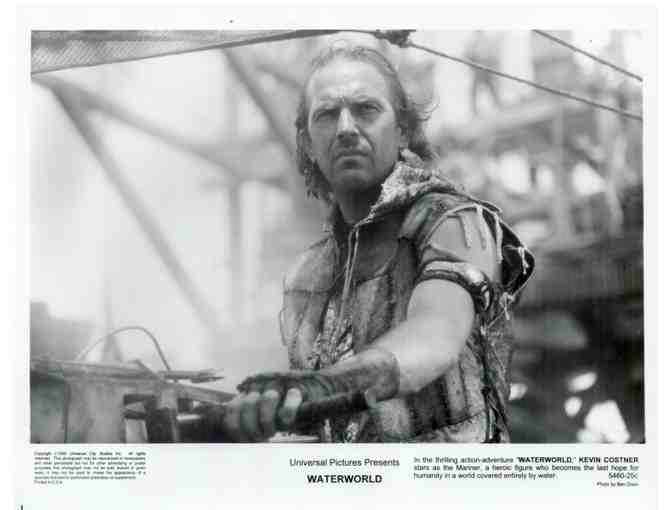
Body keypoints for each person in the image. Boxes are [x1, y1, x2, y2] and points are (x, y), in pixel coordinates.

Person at [222, 44, 534, 443]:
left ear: (402, 130)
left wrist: (321, 386)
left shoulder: (453, 221)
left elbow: (435, 335)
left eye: (366, 109)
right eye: (327, 114)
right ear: (307, 144)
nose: (345, 128)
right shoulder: (305, 275)